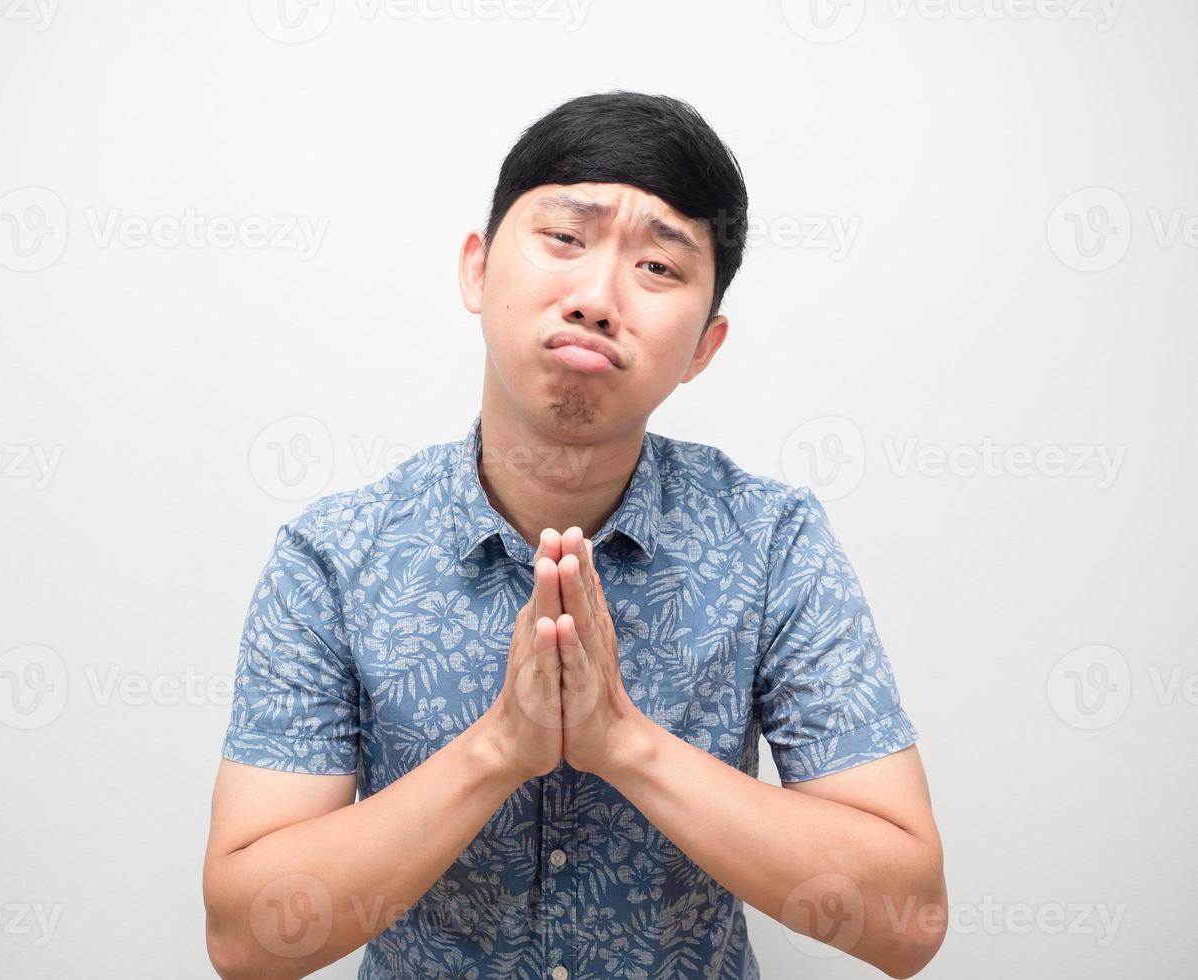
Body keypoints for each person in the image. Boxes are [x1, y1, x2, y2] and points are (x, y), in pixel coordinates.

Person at [202, 90, 946, 980]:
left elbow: (907, 920)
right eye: (565, 238)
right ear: (476, 269)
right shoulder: (335, 557)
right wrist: (496, 751)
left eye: (659, 269)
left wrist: (623, 742)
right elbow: (245, 939)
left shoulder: (770, 542)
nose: (597, 297)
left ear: (703, 347)